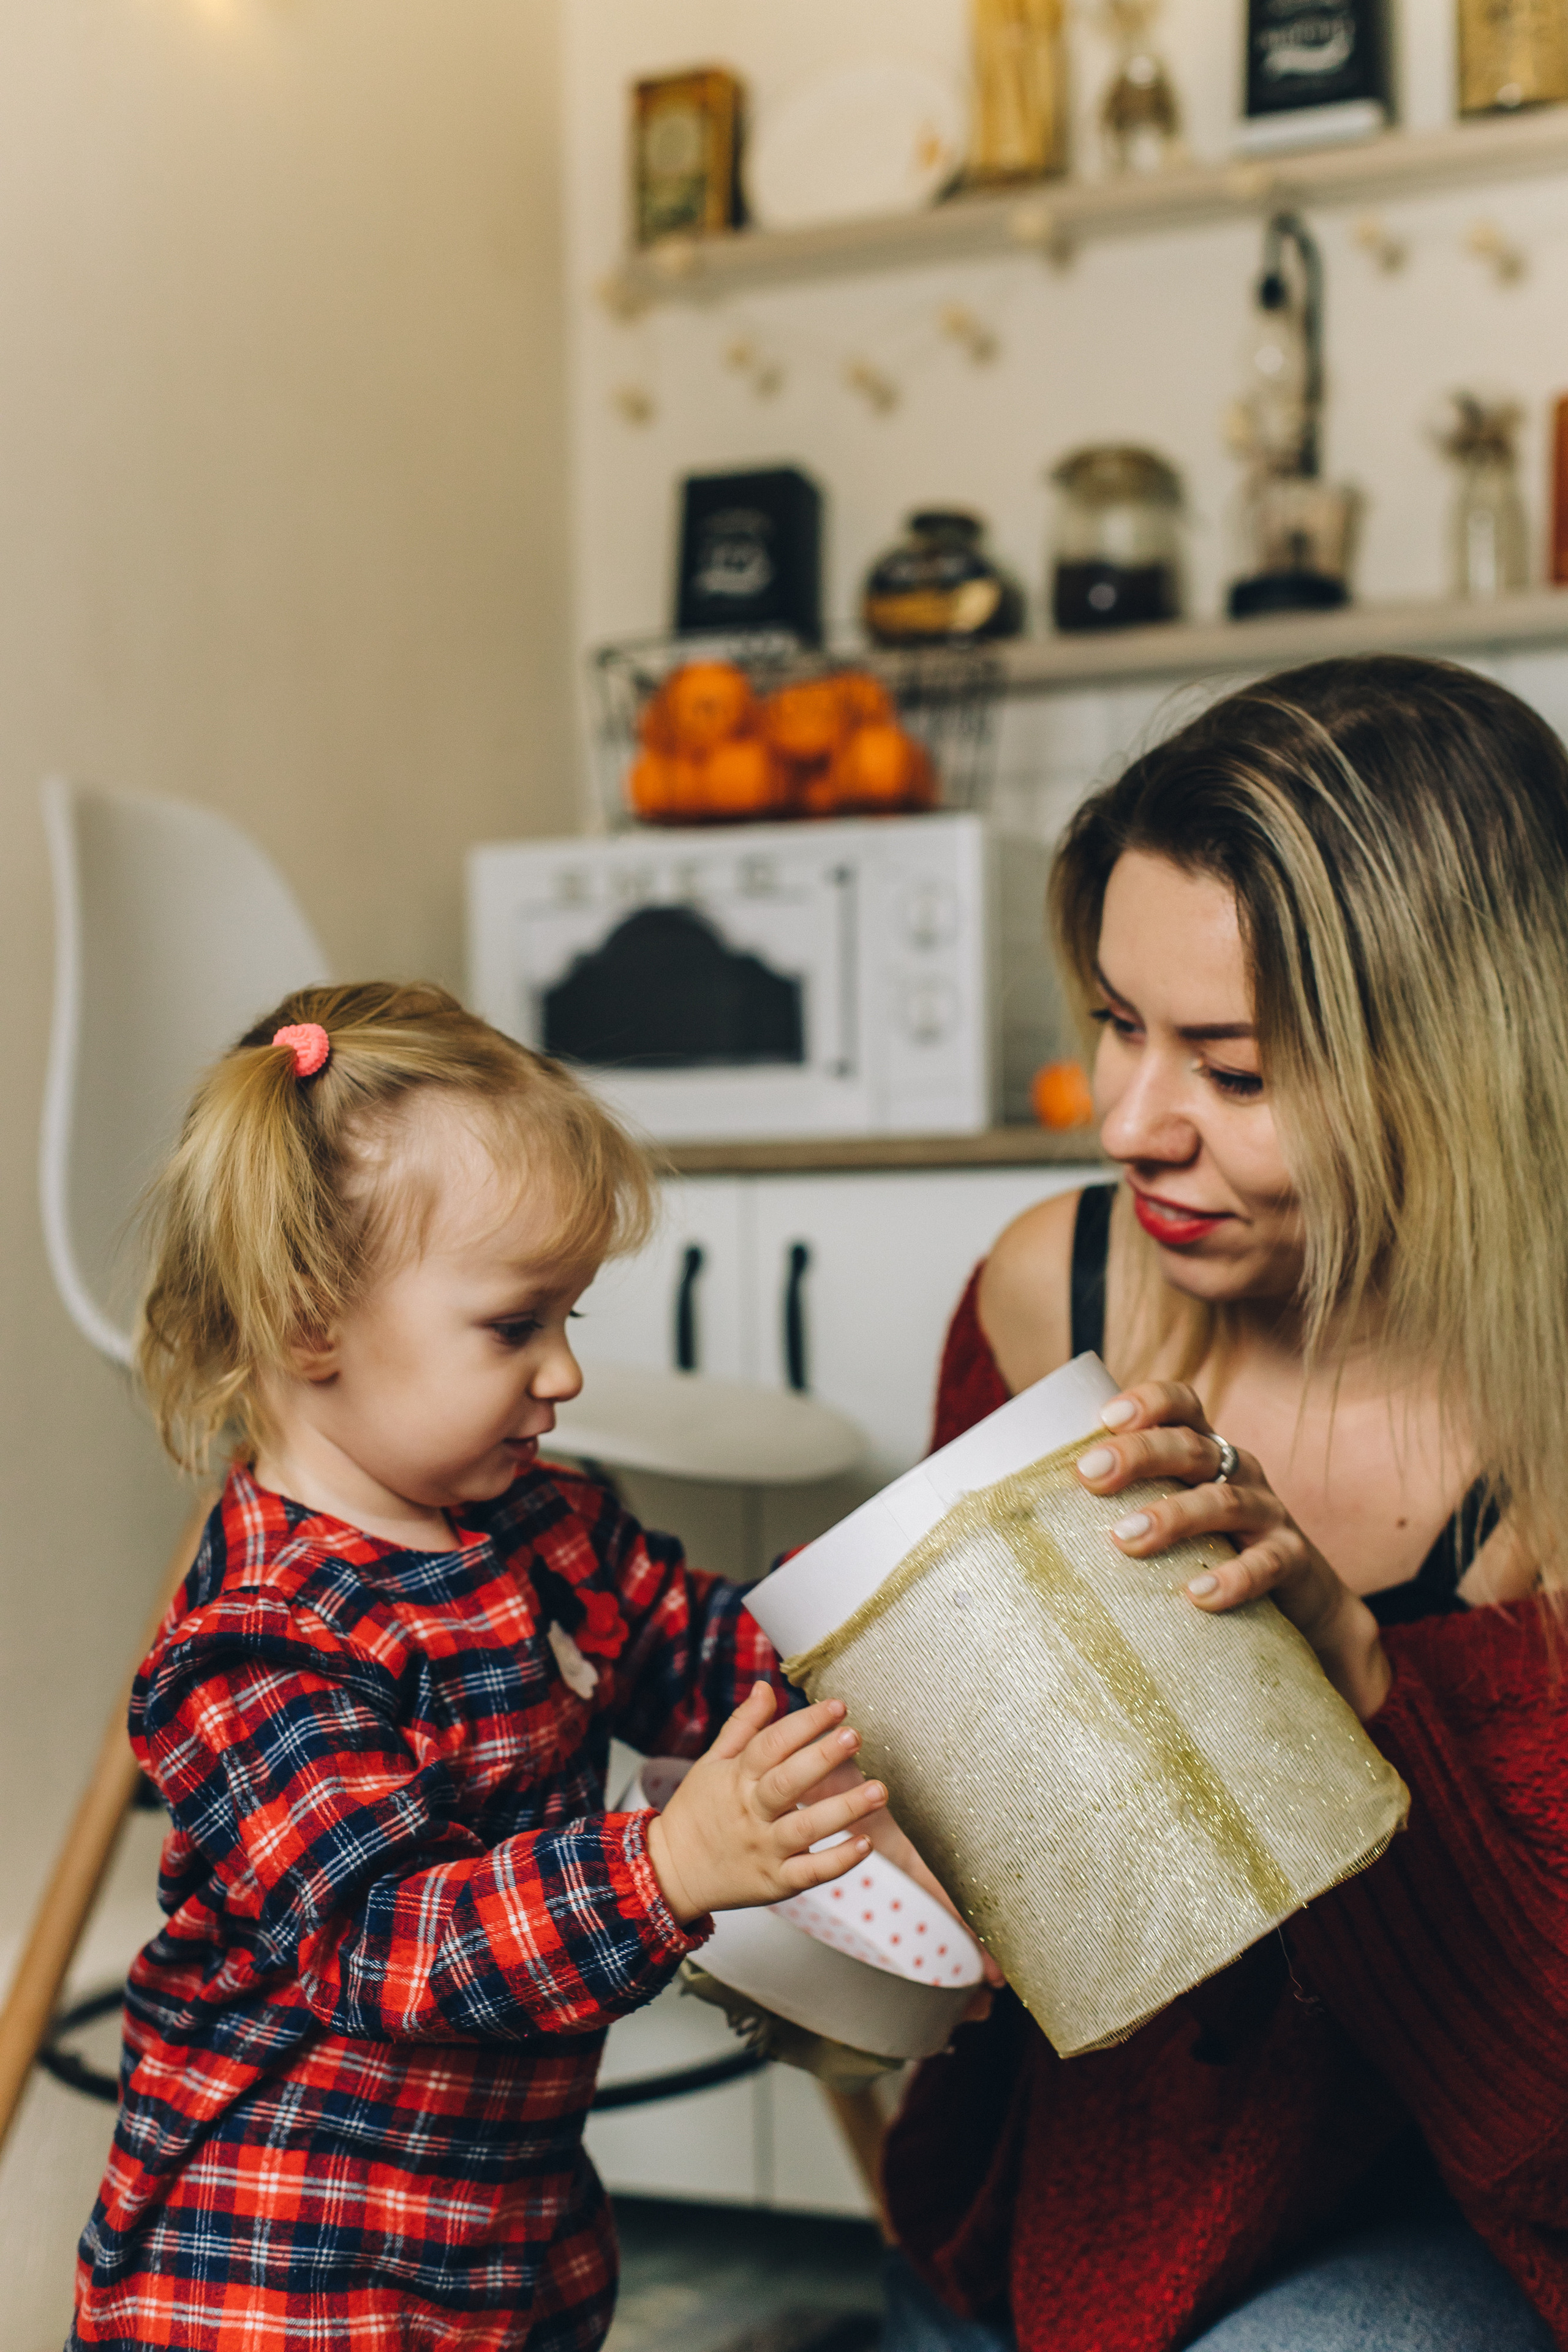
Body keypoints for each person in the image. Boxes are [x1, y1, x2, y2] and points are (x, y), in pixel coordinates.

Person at [880, 657, 1568, 2352]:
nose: (1130, 1123)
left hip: (1476, 2202)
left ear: (1461, 1066)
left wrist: (1356, 1685)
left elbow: (1549, 2116)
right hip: (1119, 2192)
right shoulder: (1060, 1296)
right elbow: (1019, 1926)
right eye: (1118, 1022)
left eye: (1234, 1072)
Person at [70, 982, 890, 2352]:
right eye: (516, 1327)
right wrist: (667, 1867)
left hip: (496, 2225)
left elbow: (699, 1649)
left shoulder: (540, 1523)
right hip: (275, 2264)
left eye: (570, 1317)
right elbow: (396, 1946)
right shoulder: (260, 1646)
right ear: (306, 1320)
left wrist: (873, 1642)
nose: (563, 1371)